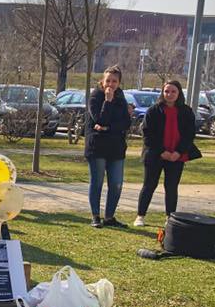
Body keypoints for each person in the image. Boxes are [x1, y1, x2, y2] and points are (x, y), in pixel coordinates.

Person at [134, 80, 201, 226]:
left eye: (173, 92)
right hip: (155, 155)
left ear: (179, 93)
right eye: (166, 91)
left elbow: (189, 135)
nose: (169, 94)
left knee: (171, 187)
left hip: (177, 156)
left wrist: (178, 152)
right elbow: (147, 134)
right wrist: (162, 152)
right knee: (149, 185)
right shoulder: (153, 110)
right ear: (162, 93)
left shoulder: (186, 111)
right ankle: (140, 216)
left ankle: (169, 218)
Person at [85, 65, 131, 228]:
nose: (111, 84)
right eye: (108, 81)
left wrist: (109, 128)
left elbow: (126, 122)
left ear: (119, 83)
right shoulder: (95, 97)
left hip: (116, 147)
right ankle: (95, 216)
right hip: (97, 147)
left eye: (114, 81)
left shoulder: (121, 97)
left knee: (116, 184)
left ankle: (109, 217)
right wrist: (108, 101)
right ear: (102, 81)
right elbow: (100, 119)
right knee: (97, 182)